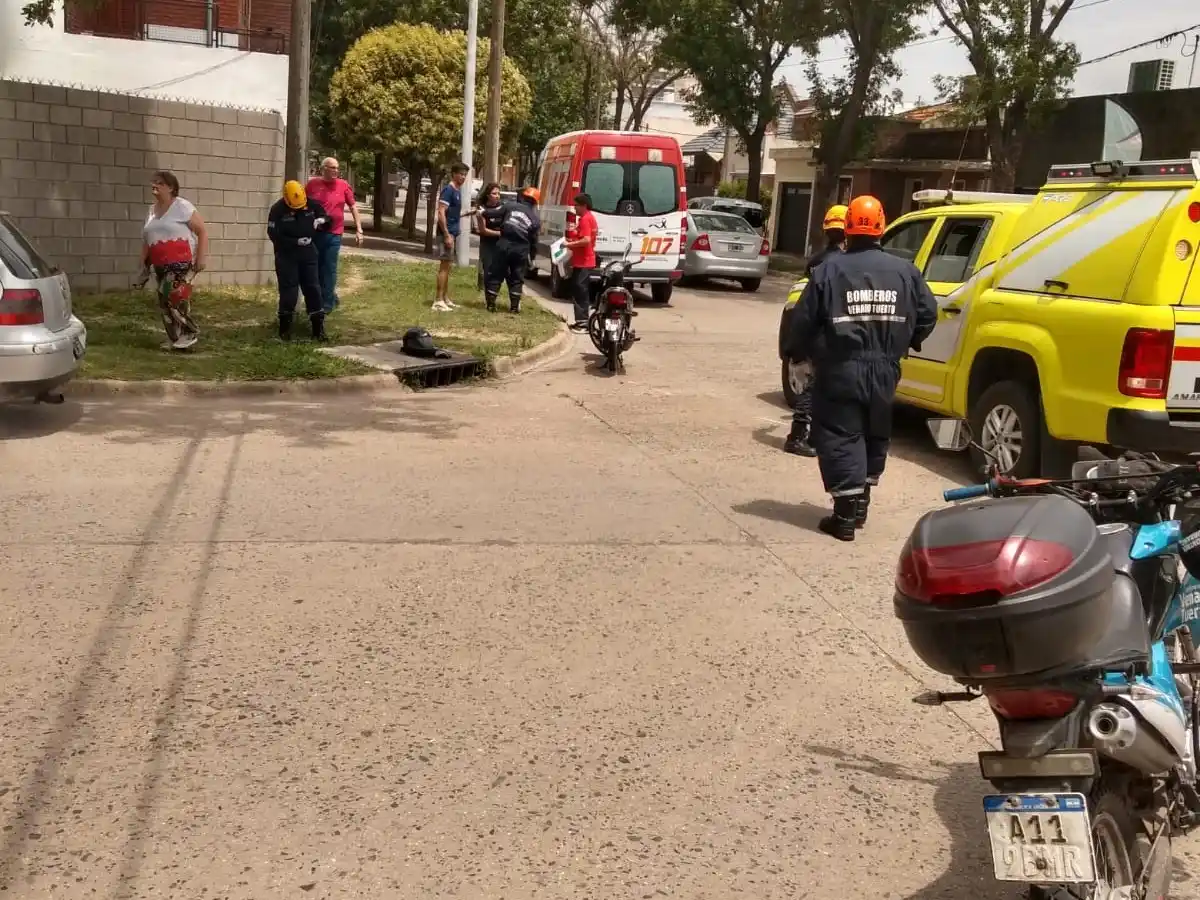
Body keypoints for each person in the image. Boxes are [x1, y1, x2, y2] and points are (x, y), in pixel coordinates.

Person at [787, 194, 937, 542]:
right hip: (885, 368)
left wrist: (797, 356)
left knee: (841, 434)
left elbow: (804, 320)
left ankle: (844, 515)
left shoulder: (828, 271)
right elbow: (928, 314)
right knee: (874, 431)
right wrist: (906, 341)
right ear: (881, 228)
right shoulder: (906, 271)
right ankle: (861, 506)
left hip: (841, 367)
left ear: (847, 228)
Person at [783, 204, 847, 457]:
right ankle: (797, 437)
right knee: (816, 386)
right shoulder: (841, 264)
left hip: (812, 329)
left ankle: (809, 434)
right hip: (828, 332)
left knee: (814, 383)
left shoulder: (816, 261)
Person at [138, 170, 209, 351]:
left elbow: (202, 230)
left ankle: (190, 331)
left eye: (160, 183)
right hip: (159, 263)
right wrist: (143, 264)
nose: (154, 185)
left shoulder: (182, 206)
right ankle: (176, 338)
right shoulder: (151, 211)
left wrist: (201, 257)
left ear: (171, 188)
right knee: (164, 301)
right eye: (154, 182)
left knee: (173, 296)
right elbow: (147, 238)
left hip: (180, 261)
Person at [267, 180, 330, 342]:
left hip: (308, 253)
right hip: (287, 255)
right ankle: (285, 330)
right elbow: (273, 234)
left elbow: (327, 218)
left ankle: (318, 329)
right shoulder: (277, 210)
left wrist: (322, 221)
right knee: (289, 291)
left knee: (313, 289)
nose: (299, 209)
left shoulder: (311, 204)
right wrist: (294, 242)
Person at [305, 156, 364, 316]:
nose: (336, 170)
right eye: (332, 167)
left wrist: (359, 229)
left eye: (337, 168)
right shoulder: (312, 185)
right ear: (323, 168)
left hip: (334, 234)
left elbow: (353, 207)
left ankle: (327, 304)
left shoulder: (343, 185)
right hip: (315, 233)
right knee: (316, 268)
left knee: (329, 268)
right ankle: (328, 296)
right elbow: (303, 205)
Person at [484, 187, 541, 314]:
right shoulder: (535, 219)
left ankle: (491, 305)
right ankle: (514, 307)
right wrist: (532, 257)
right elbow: (534, 241)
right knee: (517, 276)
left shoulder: (510, 206)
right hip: (521, 250)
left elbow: (493, 213)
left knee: (496, 273)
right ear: (535, 202)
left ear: (523, 197)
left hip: (504, 244)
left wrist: (482, 212)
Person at [433, 162, 469, 311]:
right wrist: (447, 234)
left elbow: (452, 213)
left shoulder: (457, 191)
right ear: (453, 174)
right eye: (461, 174)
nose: (463, 177)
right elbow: (441, 213)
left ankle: (445, 298)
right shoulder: (448, 190)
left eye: (465, 175)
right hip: (446, 234)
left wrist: (468, 213)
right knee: (444, 267)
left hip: (453, 233)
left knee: (448, 267)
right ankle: (438, 300)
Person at [562, 192, 599, 332]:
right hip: (583, 261)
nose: (574, 208)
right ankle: (581, 321)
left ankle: (583, 323)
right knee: (580, 290)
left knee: (580, 291)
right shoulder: (589, 218)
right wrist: (572, 240)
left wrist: (569, 245)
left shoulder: (585, 219)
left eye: (576, 205)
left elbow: (586, 240)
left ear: (584, 205)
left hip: (584, 261)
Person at [475, 182, 504, 293]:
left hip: (500, 243)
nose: (497, 196)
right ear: (487, 195)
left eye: (498, 193)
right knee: (486, 268)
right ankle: (484, 288)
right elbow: (483, 230)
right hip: (487, 243)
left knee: (499, 269)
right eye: (494, 193)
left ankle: (494, 289)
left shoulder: (502, 207)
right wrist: (500, 233)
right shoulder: (482, 208)